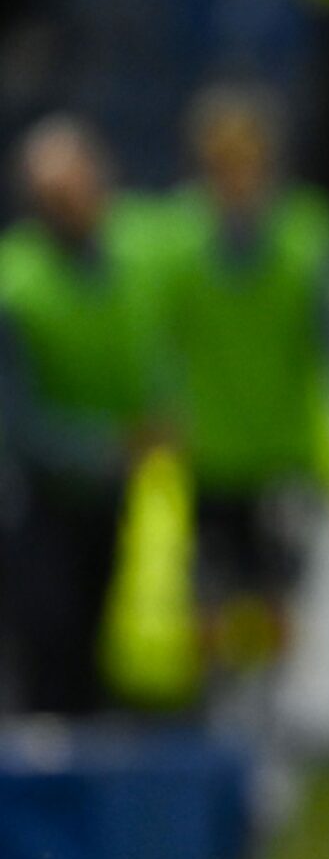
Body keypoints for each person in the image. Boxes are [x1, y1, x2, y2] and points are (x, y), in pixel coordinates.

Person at [156, 84, 329, 674]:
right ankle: (210, 714)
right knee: (206, 601)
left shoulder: (307, 236)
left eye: (246, 159)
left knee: (282, 598)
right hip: (209, 453)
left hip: (283, 452)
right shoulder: (174, 241)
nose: (236, 176)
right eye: (222, 161)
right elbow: (154, 342)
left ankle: (277, 718)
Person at [0, 117, 164, 713]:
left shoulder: (139, 260)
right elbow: (15, 424)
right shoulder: (13, 286)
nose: (68, 205)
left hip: (131, 503)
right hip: (39, 508)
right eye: (51, 196)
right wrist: (105, 449)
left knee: (125, 668)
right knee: (51, 660)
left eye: (77, 187)